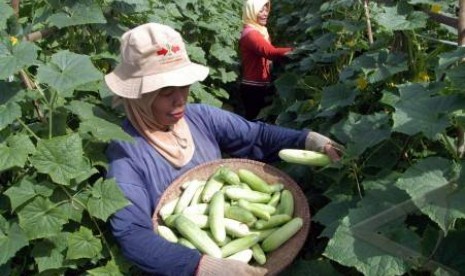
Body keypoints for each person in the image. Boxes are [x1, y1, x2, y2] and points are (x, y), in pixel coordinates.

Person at [104, 22, 342, 276]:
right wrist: (202, 266)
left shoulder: (200, 117)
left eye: (184, 86)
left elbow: (257, 136)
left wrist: (308, 140)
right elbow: (132, 233)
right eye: (166, 92)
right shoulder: (126, 154)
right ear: (140, 96)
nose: (180, 99)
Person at [238, 0, 293, 120]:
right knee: (253, 123)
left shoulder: (259, 30)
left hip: (260, 84)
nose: (265, 13)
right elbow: (270, 52)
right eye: (260, 10)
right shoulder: (251, 34)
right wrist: (297, 50)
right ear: (251, 12)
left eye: (266, 9)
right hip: (253, 86)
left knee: (258, 122)